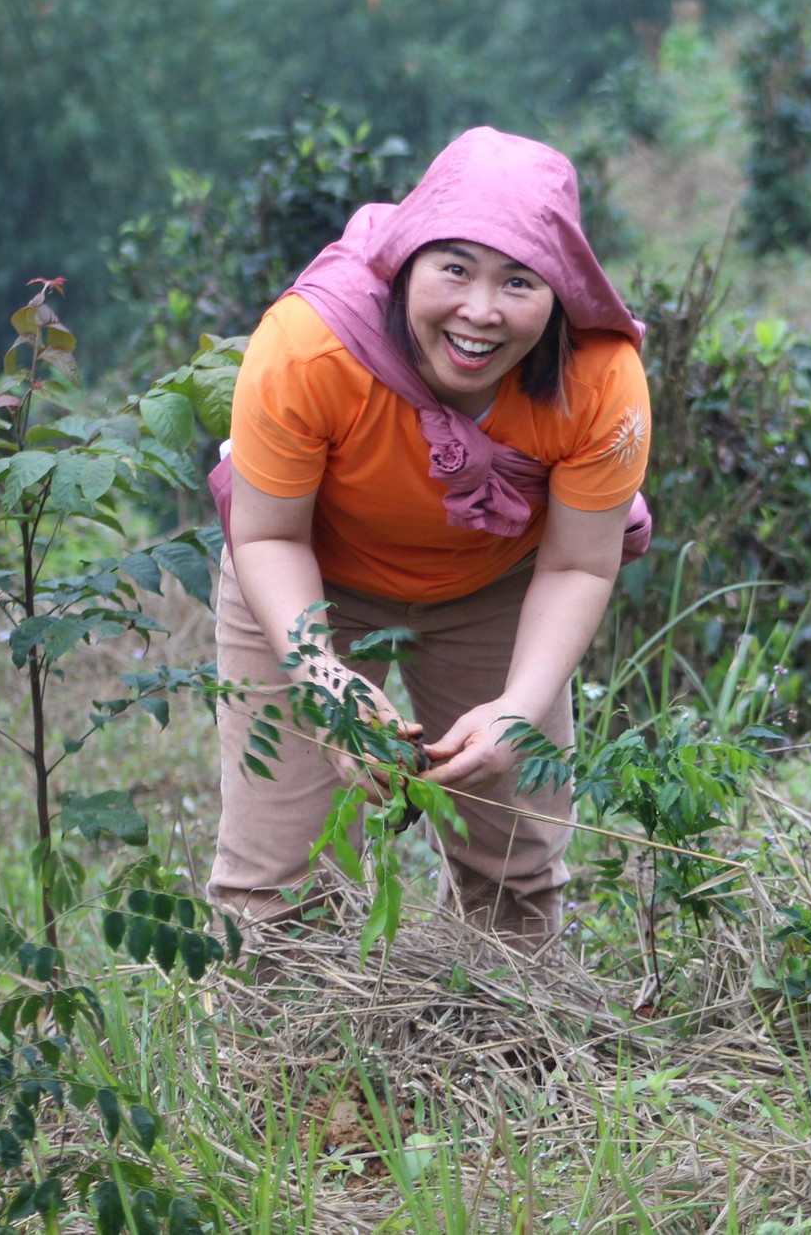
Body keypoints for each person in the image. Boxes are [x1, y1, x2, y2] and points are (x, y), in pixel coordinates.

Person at [205, 126, 654, 950]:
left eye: (520, 280)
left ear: (561, 291)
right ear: (406, 260)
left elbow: (579, 561)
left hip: (499, 581)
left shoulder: (601, 379)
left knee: (516, 865)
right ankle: (275, 1070)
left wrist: (519, 710)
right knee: (276, 881)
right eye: (455, 268)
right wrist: (323, 679)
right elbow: (268, 536)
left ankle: (511, 1057)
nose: (481, 312)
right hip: (309, 581)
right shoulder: (309, 348)